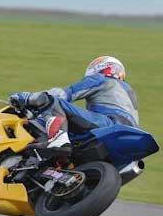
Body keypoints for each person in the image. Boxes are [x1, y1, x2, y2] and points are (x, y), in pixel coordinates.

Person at [9, 56, 139, 160]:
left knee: (51, 101)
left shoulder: (100, 79)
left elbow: (63, 95)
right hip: (129, 138)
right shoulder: (130, 93)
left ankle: (58, 140)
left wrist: (29, 98)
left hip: (108, 124)